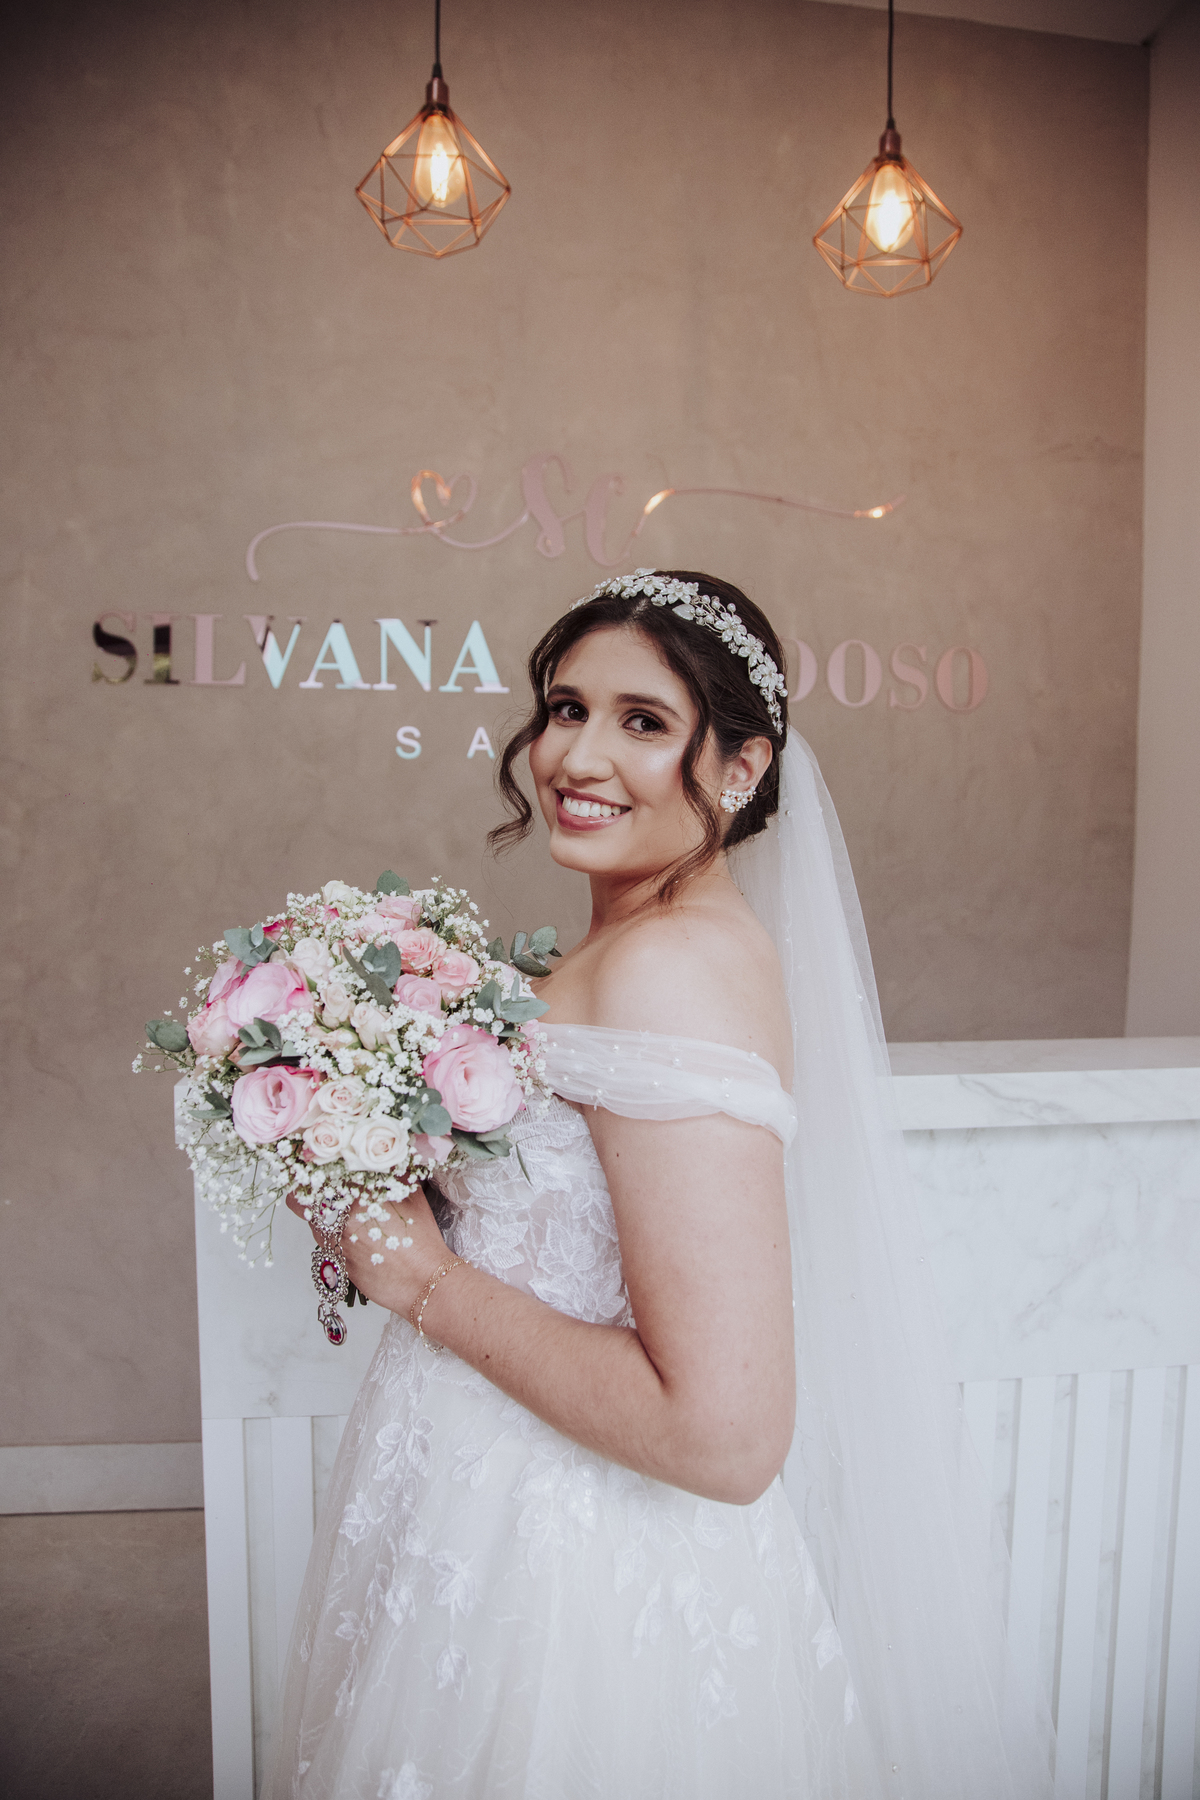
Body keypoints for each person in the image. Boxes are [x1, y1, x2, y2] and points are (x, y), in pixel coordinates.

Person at [266, 571, 1053, 1800]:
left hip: (567, 1570)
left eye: (643, 721)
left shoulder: (673, 969)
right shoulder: (627, 944)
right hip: (473, 1500)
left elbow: (725, 1435)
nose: (577, 756)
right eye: (566, 708)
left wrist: (419, 1278)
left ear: (741, 767)